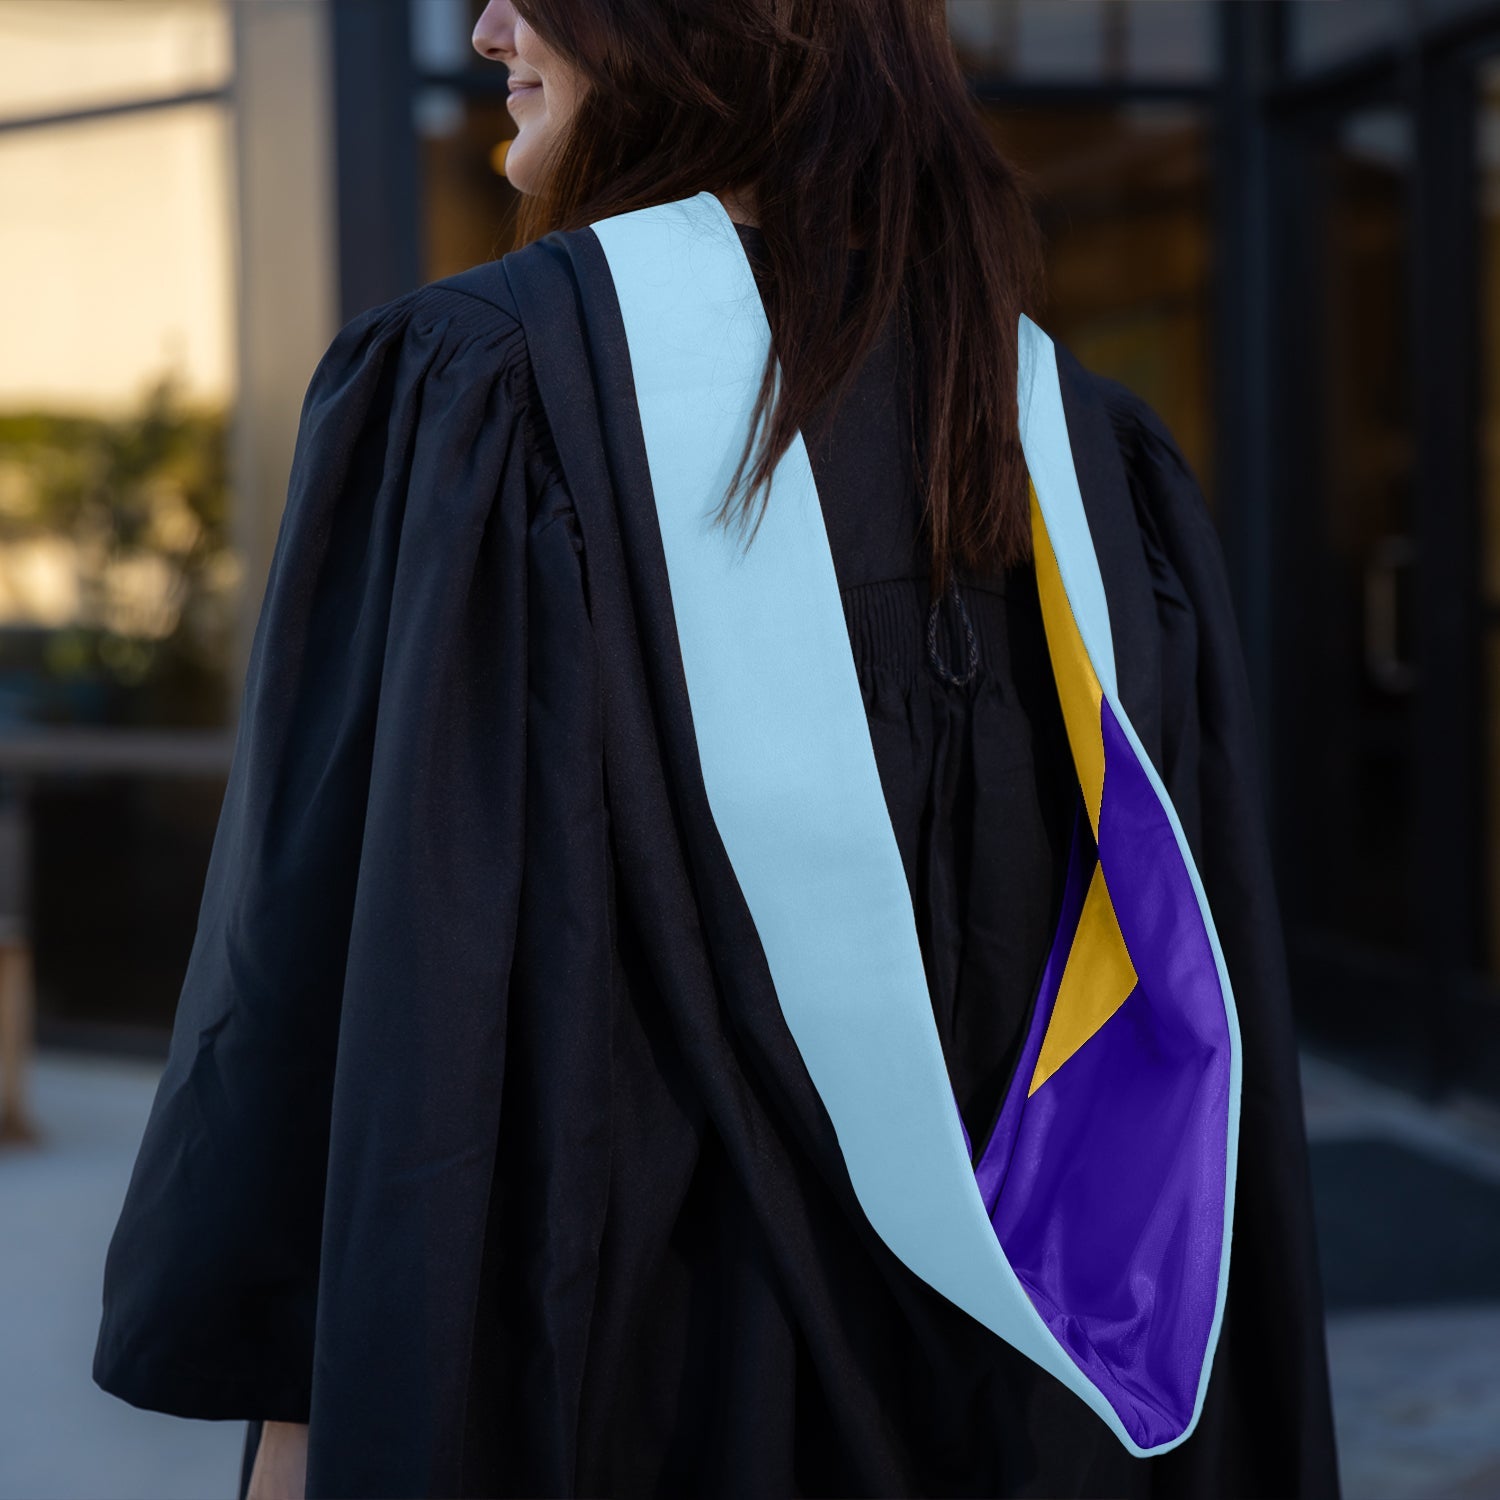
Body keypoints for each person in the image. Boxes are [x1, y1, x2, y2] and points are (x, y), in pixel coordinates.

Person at [92, 3, 1343, 1497]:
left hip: (621, 1396)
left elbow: (332, 1016)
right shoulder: (1082, 458)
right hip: (1027, 1426)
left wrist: (297, 1442)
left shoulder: (485, 397)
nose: (490, 24)